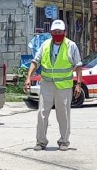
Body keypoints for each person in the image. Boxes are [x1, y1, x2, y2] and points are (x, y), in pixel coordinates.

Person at [23, 19, 82, 151]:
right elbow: (35, 61)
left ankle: (64, 141)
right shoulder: (45, 45)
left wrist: (78, 84)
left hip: (64, 86)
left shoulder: (71, 46)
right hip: (47, 84)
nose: (57, 34)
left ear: (65, 32)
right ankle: (41, 141)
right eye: (54, 32)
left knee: (63, 115)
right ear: (50, 32)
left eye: (59, 32)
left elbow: (78, 66)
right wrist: (28, 77)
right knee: (42, 113)